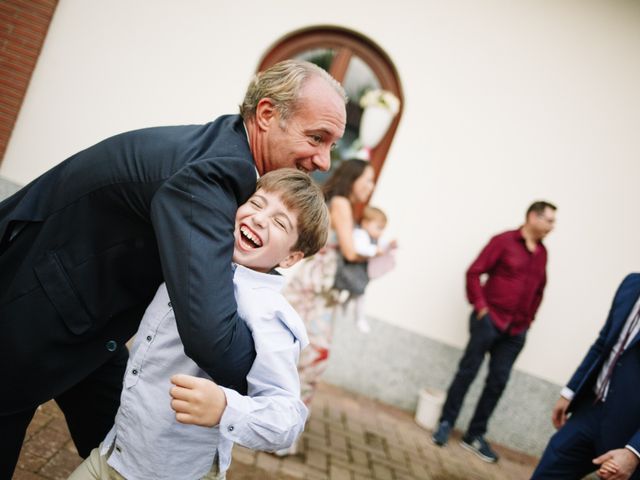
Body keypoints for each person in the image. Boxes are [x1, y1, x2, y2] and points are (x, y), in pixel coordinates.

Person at [0, 59, 346, 478]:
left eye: (332, 144)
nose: (325, 160)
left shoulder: (226, 155)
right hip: (31, 303)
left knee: (125, 442)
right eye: (317, 137)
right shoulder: (212, 175)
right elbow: (210, 334)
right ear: (267, 115)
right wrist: (268, 382)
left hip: (87, 314)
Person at [67, 169, 328, 480]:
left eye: (280, 222)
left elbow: (288, 418)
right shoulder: (196, 256)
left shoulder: (268, 314)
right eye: (257, 204)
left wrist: (224, 407)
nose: (260, 219)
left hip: (174, 473)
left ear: (290, 258)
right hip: (116, 450)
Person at [431, 201, 557, 463]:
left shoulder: (543, 253)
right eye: (548, 220)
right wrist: (481, 308)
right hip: (490, 321)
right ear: (532, 217)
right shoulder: (503, 241)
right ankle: (445, 423)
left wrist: (529, 319)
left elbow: (539, 290)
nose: (552, 226)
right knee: (468, 372)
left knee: (497, 382)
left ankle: (474, 435)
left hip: (516, 330)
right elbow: (474, 272)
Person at [284, 159, 375, 409]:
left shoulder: (339, 203)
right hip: (316, 291)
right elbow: (350, 251)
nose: (371, 186)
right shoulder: (342, 204)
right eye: (367, 179)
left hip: (315, 287)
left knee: (294, 351)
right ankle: (287, 421)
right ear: (353, 179)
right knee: (313, 356)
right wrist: (378, 253)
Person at [532, 274, 640, 480]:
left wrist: (635, 451)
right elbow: (603, 343)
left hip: (632, 429)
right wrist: (569, 391)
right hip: (589, 410)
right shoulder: (631, 283)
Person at [333, 205, 396, 333]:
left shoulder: (373, 238)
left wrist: (389, 245)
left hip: (359, 271)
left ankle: (345, 305)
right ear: (365, 223)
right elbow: (359, 248)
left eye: (382, 229)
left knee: (355, 292)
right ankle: (359, 318)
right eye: (379, 228)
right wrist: (374, 251)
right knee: (360, 293)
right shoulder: (359, 234)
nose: (381, 232)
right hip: (352, 270)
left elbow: (382, 245)